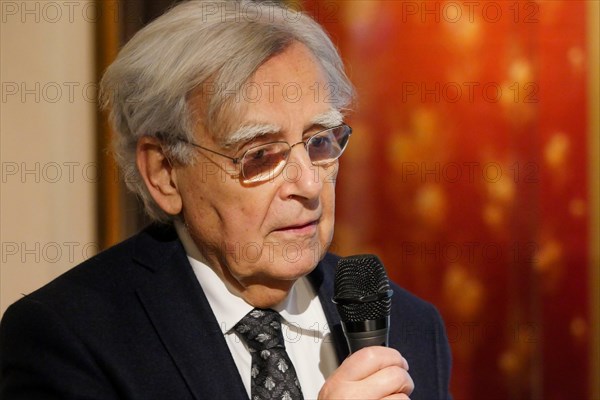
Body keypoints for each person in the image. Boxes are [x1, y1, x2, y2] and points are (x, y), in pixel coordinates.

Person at [0, 1, 452, 399]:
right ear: (164, 173)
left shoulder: (412, 328)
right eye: (260, 155)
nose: (309, 185)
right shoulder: (72, 336)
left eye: (319, 142)